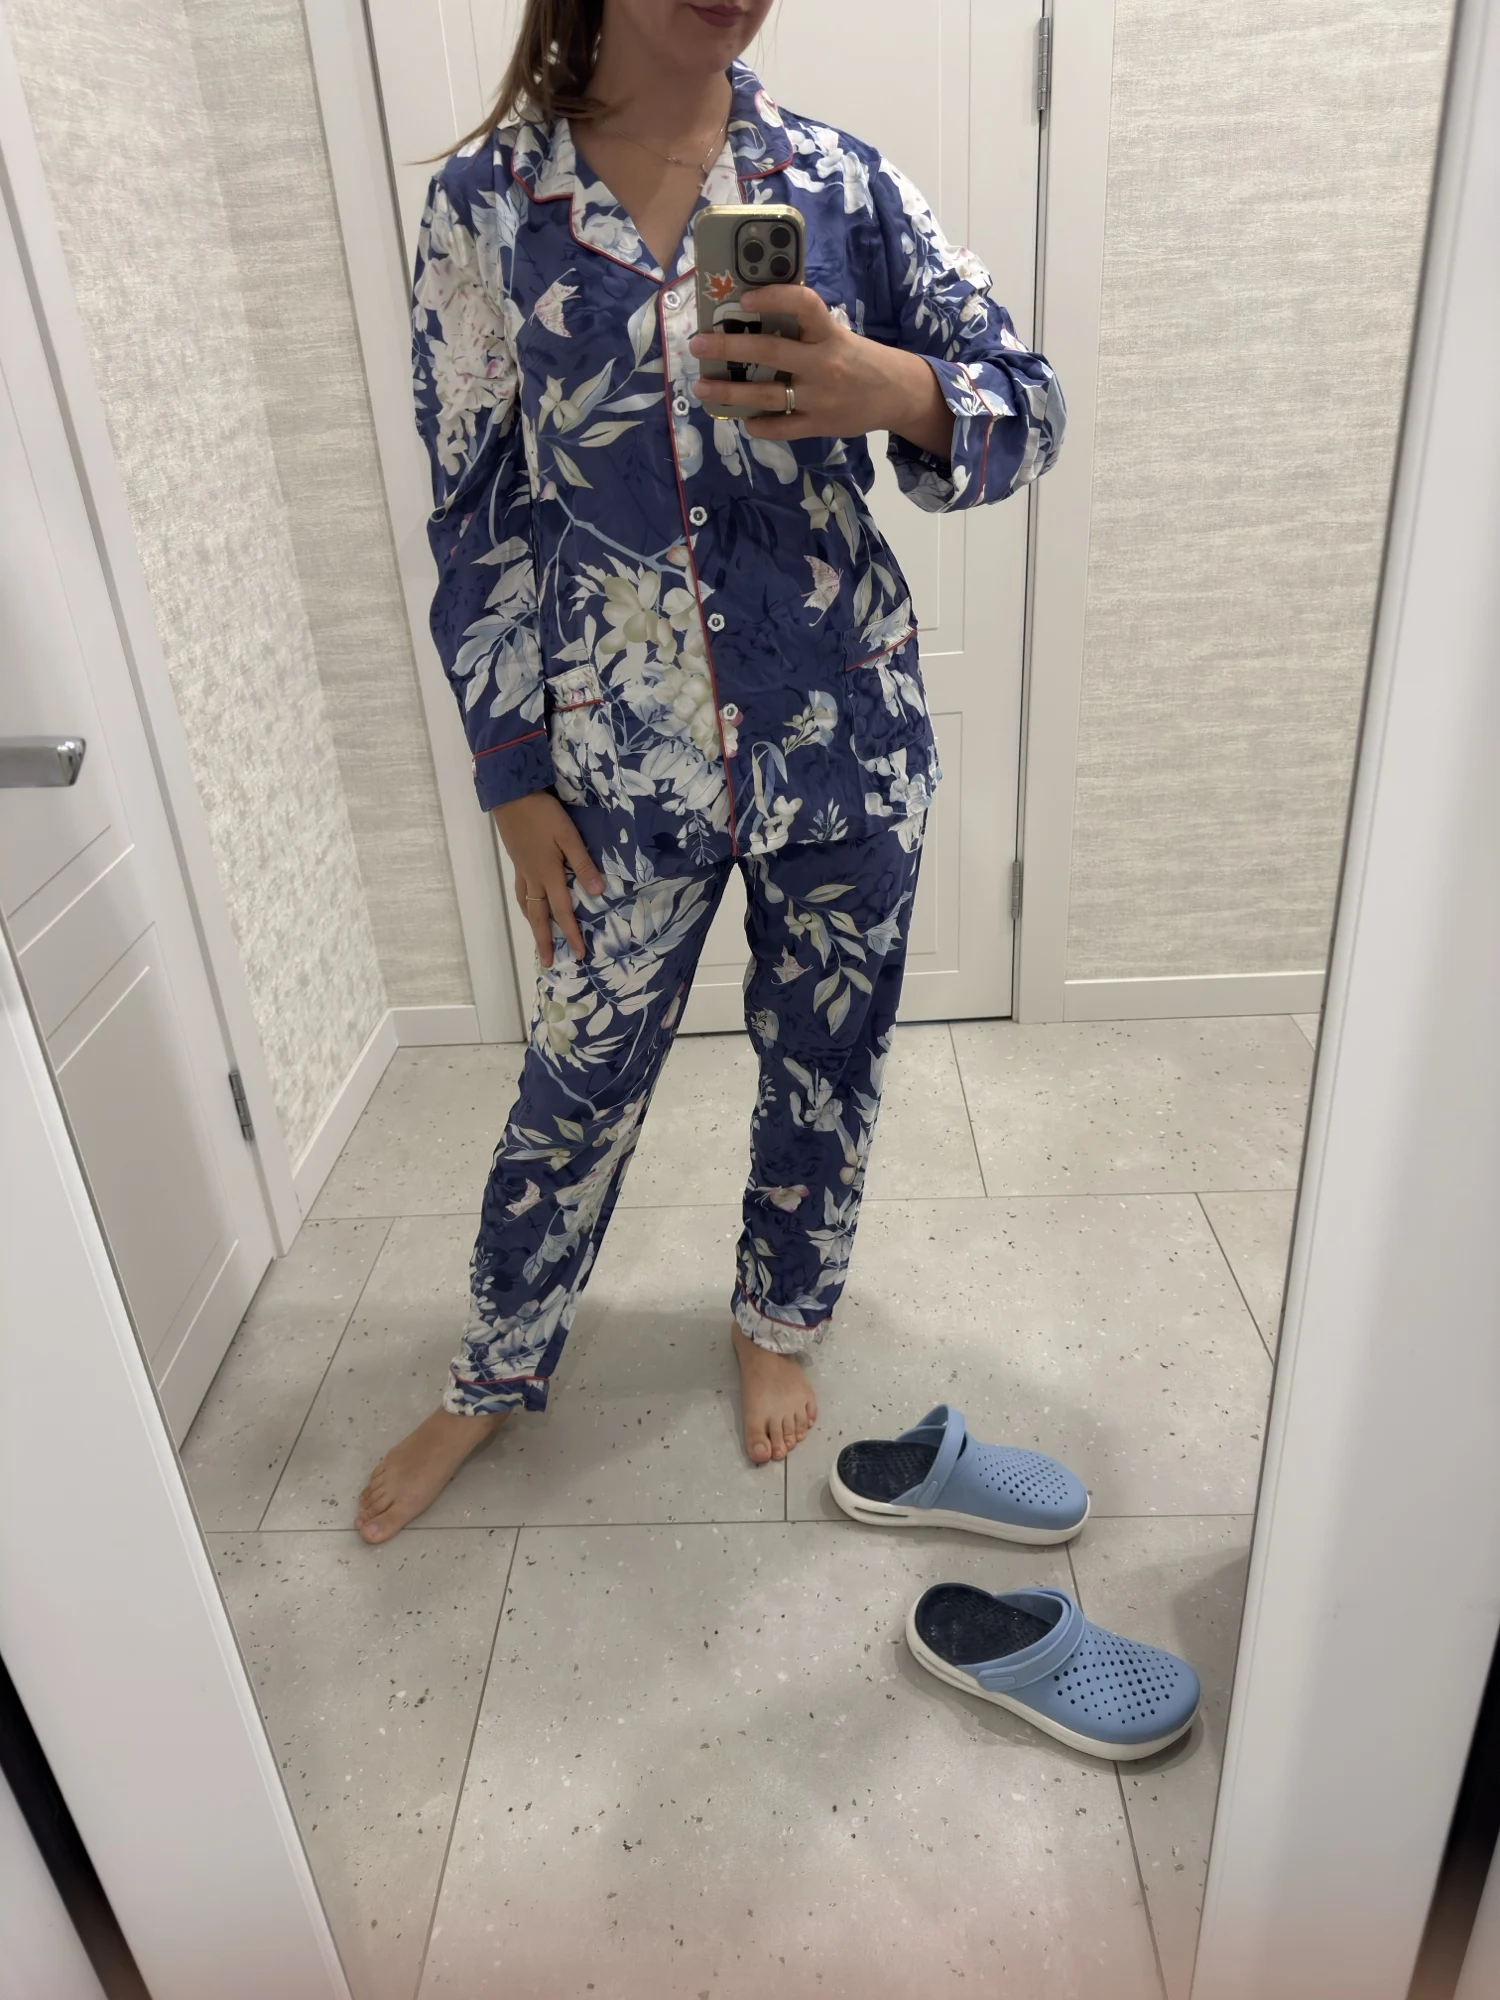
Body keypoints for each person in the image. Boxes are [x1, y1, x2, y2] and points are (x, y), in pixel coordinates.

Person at [355, 0, 1064, 1544]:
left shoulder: (841, 184)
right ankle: (494, 1370)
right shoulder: (488, 207)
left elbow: (1032, 405)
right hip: (616, 765)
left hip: (846, 741)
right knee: (577, 1080)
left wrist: (892, 390)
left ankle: (778, 1320)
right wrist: (509, 774)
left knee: (828, 1059)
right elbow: (474, 508)